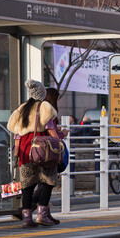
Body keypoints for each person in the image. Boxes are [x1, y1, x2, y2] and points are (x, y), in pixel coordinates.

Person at [7, 80, 61, 228]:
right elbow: (51, 130)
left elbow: (17, 135)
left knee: (27, 185)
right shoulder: (45, 107)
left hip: (25, 150)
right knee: (47, 181)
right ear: (42, 93)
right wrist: (60, 143)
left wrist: (17, 154)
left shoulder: (22, 108)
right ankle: (42, 215)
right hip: (42, 150)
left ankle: (26, 219)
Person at [30, 87, 69, 225]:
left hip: (36, 151)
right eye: (57, 98)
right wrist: (63, 133)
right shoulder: (48, 113)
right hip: (47, 153)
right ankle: (31, 209)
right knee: (47, 183)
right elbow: (54, 137)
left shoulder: (33, 110)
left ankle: (42, 212)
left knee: (43, 182)